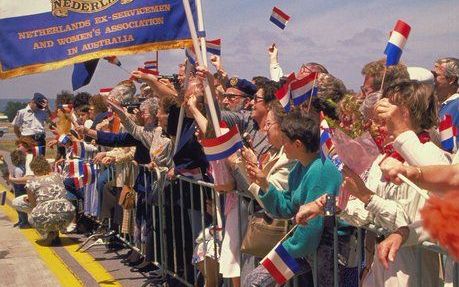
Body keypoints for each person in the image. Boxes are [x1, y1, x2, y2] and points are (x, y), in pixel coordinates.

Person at [244, 110, 343, 287]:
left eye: (285, 142)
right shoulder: (300, 167)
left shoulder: (320, 171)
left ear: (298, 144)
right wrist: (264, 185)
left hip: (326, 248)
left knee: (255, 282)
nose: (282, 146)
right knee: (253, 281)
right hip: (308, 246)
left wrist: (283, 253)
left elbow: (312, 228)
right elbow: (287, 208)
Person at [13, 156, 75, 245]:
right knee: (54, 205)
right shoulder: (58, 175)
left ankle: (49, 232)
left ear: (33, 169)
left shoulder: (31, 182)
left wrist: (32, 198)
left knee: (20, 203)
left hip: (46, 215)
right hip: (68, 215)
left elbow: (34, 205)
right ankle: (56, 231)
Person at [434, 57, 459, 152]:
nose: (433, 80)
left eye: (436, 75)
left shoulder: (456, 106)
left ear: (452, 79)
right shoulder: (446, 105)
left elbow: (450, 147)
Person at [10, 149, 30, 228]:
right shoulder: (24, 166)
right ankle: (21, 220)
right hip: (23, 188)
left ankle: (24, 222)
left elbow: (18, 181)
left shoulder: (17, 169)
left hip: (20, 189)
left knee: (19, 206)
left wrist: (11, 180)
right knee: (20, 207)